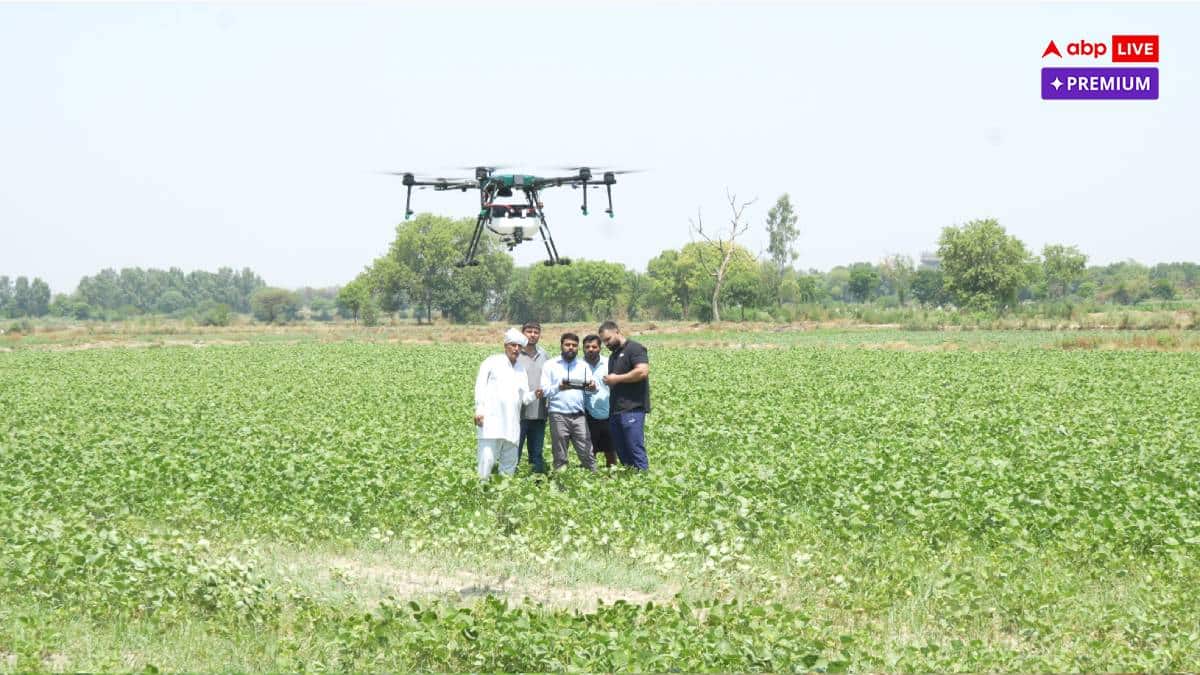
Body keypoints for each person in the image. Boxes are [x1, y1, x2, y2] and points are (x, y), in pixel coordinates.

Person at [474, 328, 539, 480]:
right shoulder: (492, 362)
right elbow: (480, 386)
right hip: (491, 421)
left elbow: (524, 398)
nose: (516, 349)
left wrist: (535, 395)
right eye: (513, 345)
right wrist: (479, 410)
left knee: (509, 464)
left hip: (512, 424)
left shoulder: (521, 369)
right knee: (487, 460)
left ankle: (504, 494)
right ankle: (481, 492)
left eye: (519, 347)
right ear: (505, 345)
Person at [599, 320, 650, 470]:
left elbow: (642, 371)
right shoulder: (613, 356)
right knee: (622, 450)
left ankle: (644, 481)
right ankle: (630, 482)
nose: (606, 344)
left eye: (608, 339)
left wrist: (617, 378)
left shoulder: (634, 348)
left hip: (632, 408)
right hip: (616, 410)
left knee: (634, 448)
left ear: (617, 332)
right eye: (604, 341)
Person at [540, 333, 596, 471]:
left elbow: (589, 390)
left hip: (579, 415)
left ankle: (594, 481)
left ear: (578, 348)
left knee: (587, 451)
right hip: (558, 414)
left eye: (574, 345)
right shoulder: (550, 365)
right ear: (561, 345)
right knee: (560, 453)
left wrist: (593, 388)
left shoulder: (583, 366)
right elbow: (544, 390)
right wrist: (559, 387)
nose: (571, 348)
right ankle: (561, 485)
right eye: (567, 345)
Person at [515, 321, 549, 473]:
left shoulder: (544, 355)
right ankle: (510, 482)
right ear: (522, 333)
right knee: (514, 451)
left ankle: (537, 484)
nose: (533, 335)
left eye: (536, 332)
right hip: (518, 413)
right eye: (529, 331)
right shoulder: (515, 354)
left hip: (539, 412)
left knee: (536, 453)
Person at [581, 334, 616, 468]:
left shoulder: (609, 363)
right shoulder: (579, 365)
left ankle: (612, 477)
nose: (591, 349)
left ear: (600, 348)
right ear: (583, 349)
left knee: (610, 449)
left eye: (594, 346)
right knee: (590, 449)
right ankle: (591, 477)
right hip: (586, 412)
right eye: (587, 347)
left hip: (608, 411)